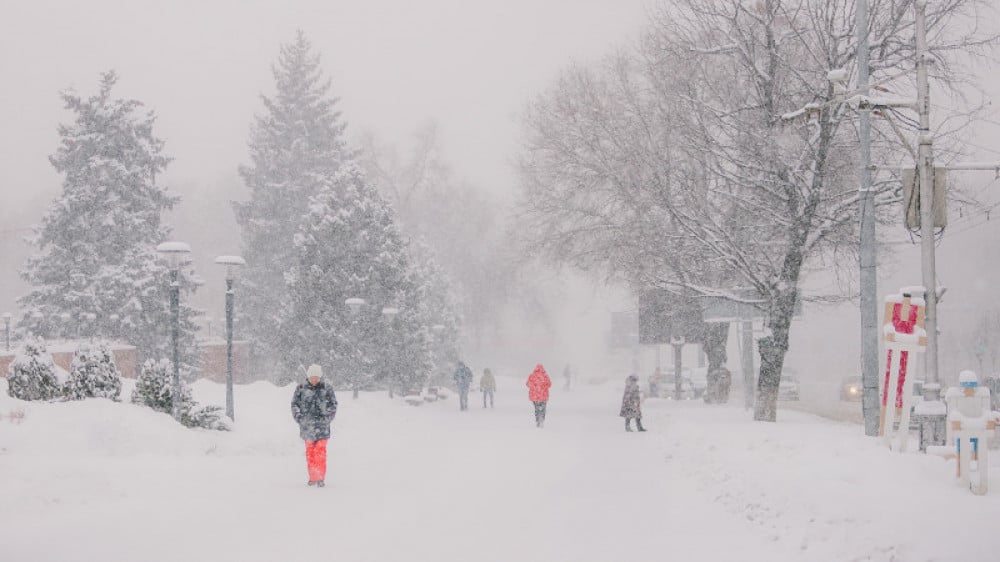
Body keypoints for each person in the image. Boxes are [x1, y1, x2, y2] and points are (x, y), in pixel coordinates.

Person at [291, 364, 338, 487]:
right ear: (308, 377)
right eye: (312, 377)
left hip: (322, 427)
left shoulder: (327, 388)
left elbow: (333, 405)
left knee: (320, 452)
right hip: (307, 427)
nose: (314, 380)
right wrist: (299, 418)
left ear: (320, 377)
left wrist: (327, 418)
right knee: (310, 453)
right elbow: (294, 405)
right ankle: (313, 477)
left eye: (316, 377)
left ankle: (320, 478)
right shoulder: (301, 388)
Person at [526, 364, 552, 428]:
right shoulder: (545, 375)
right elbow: (549, 384)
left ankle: (537, 419)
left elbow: (527, 384)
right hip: (543, 396)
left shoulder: (532, 375)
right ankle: (542, 419)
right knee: (543, 408)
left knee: (536, 408)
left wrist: (534, 387)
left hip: (535, 396)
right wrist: (543, 387)